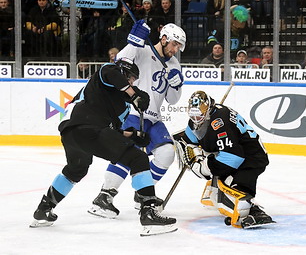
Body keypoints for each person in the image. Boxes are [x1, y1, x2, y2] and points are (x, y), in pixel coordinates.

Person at [30, 57, 178, 236]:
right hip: (88, 128)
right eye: (130, 78)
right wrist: (134, 94)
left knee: (76, 170)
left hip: (72, 134)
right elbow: (110, 74)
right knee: (138, 158)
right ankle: (149, 213)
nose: (131, 82)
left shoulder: (119, 105)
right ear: (124, 73)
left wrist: (133, 136)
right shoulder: (107, 74)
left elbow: (112, 131)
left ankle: (43, 210)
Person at [87, 21, 187, 218]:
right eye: (174, 44)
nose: (176, 50)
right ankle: (104, 197)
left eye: (179, 47)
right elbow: (119, 62)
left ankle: (142, 194)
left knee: (167, 152)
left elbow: (173, 100)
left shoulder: (174, 64)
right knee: (127, 152)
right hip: (133, 112)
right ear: (164, 38)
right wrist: (134, 41)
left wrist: (176, 85)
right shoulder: (142, 50)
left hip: (154, 117)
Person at [174, 90, 274, 228]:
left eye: (200, 114)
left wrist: (203, 167)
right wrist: (184, 146)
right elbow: (187, 139)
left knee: (235, 186)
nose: (197, 119)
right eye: (193, 115)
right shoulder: (199, 119)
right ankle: (218, 189)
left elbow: (233, 157)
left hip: (251, 156)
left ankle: (253, 211)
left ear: (208, 108)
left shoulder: (220, 121)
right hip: (233, 152)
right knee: (222, 177)